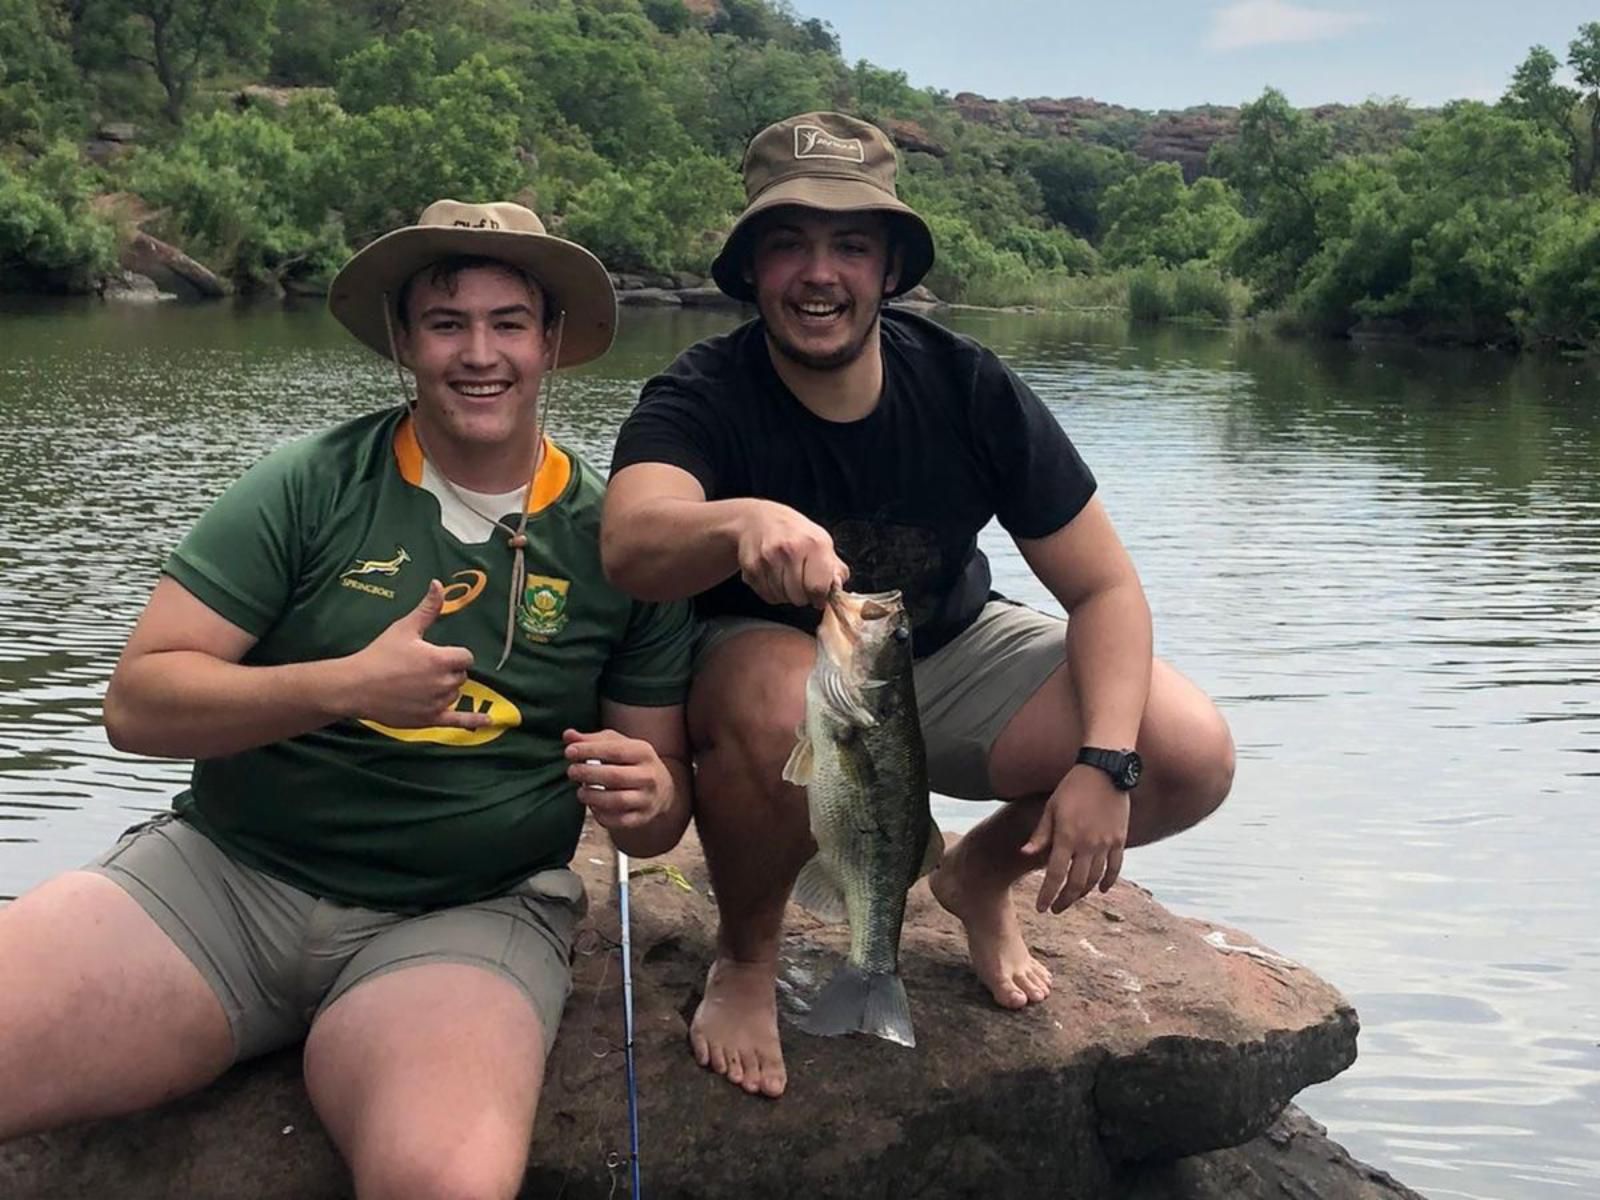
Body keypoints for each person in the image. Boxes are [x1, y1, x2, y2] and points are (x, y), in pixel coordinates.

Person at [0, 200, 695, 1198]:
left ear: (550, 343)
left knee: (442, 1184)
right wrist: (344, 688)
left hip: (463, 917)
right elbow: (138, 704)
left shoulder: (618, 541)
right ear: (403, 343)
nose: (479, 354)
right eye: (446, 323)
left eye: (508, 323)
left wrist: (646, 795)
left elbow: (658, 822)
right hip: (222, 884)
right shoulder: (310, 484)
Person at [601, 112, 1236, 1100]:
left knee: (1184, 750)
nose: (820, 274)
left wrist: (1106, 761)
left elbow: (1105, 587)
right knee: (777, 701)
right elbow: (630, 540)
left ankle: (977, 876)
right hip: (775, 672)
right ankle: (747, 958)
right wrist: (736, 523)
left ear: (890, 266)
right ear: (750, 269)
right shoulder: (700, 393)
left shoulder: (967, 383)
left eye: (850, 245)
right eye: (788, 245)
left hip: (945, 650)